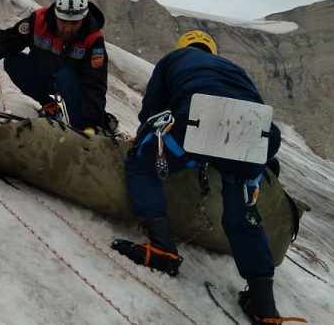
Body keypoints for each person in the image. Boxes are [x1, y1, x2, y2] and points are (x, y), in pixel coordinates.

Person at [112, 30, 285, 324]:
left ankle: (162, 250)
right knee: (242, 211)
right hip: (258, 134)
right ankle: (263, 304)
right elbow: (251, 113)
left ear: (183, 47)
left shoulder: (173, 59)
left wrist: (144, 144)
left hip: (201, 118)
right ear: (212, 51)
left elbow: (153, 112)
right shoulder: (234, 69)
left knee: (142, 165)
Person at [0, 0, 110, 134]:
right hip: (43, 75)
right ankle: (48, 105)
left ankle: (80, 131)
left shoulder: (93, 39)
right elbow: (12, 38)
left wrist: (90, 124)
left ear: (83, 20)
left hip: (72, 85)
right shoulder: (39, 21)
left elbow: (95, 84)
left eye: (74, 23)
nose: (67, 28)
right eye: (63, 21)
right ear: (56, 15)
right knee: (12, 62)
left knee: (65, 76)